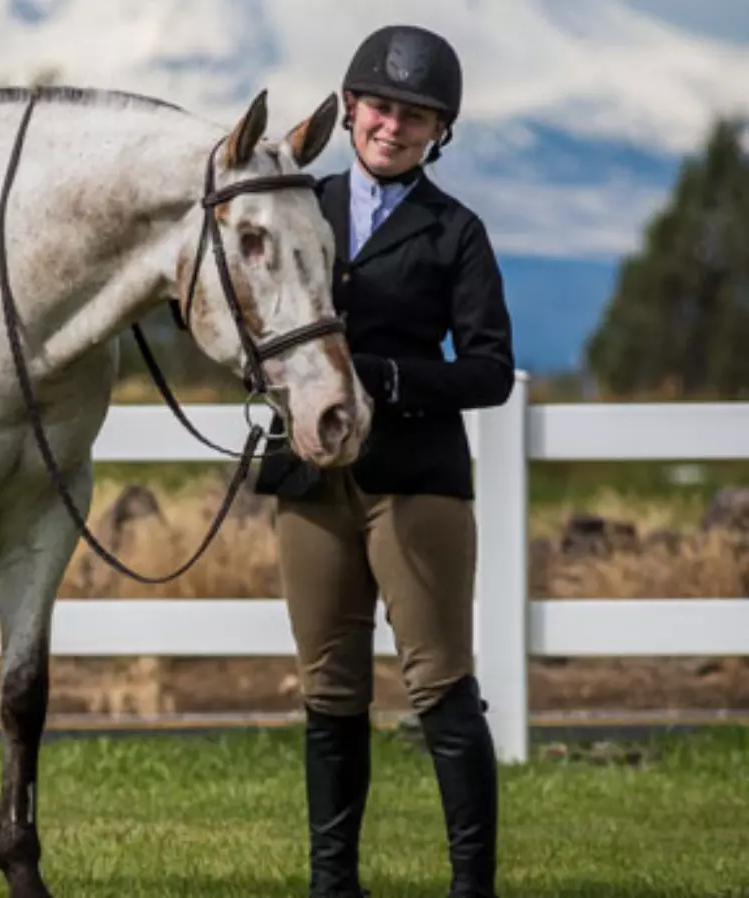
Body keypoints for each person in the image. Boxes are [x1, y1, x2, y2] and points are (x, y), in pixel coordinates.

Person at [252, 23, 515, 898]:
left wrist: (387, 378)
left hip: (415, 483)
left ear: (439, 132)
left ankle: (471, 886)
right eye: (380, 107)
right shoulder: (300, 204)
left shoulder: (456, 232)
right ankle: (333, 885)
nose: (392, 127)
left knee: (441, 685)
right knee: (328, 692)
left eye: (416, 116)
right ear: (350, 107)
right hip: (310, 482)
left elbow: (488, 369)